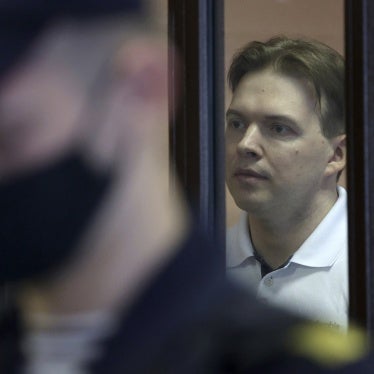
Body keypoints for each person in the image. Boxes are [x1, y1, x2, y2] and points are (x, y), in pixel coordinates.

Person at [0, 3, 369, 373]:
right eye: (236, 123)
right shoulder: (226, 260)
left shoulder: (300, 349)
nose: (246, 145)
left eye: (10, 135)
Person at [225, 37, 348, 329]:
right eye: (236, 123)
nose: (246, 144)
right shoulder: (202, 267)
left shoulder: (362, 269)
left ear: (335, 155)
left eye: (278, 128)